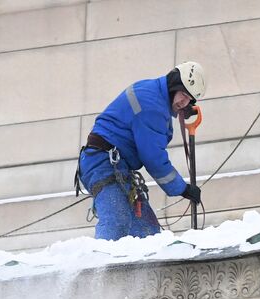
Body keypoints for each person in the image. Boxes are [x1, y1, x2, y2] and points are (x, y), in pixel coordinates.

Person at [76, 62, 206, 240]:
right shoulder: (152, 105)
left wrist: (180, 109)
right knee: (117, 221)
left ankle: (149, 267)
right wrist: (182, 188)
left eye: (189, 100)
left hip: (115, 166)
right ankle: (101, 265)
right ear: (174, 85)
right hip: (102, 163)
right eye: (183, 95)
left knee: (148, 230)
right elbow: (153, 157)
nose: (184, 102)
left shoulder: (153, 91)